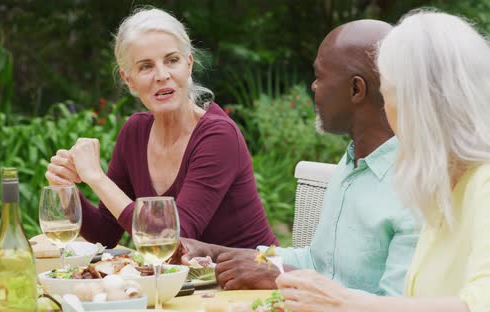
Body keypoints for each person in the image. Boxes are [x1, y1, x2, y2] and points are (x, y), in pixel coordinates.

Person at [172, 19, 419, 295]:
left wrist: (281, 276)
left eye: (320, 76)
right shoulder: (353, 162)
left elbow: (394, 304)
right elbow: (315, 262)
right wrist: (214, 252)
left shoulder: (415, 188)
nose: (313, 87)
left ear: (356, 89)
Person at [276, 10, 490, 312]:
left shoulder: (483, 181)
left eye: (388, 91)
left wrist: (346, 302)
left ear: (418, 100)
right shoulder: (437, 183)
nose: (386, 108)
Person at [45, 8, 278, 249]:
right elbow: (105, 233)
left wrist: (96, 178)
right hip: (191, 282)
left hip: (254, 280)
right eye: (146, 66)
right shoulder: (135, 132)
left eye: (172, 60)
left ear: (188, 65)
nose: (162, 75)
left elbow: (173, 238)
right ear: (129, 79)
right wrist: (65, 189)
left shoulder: (218, 136)